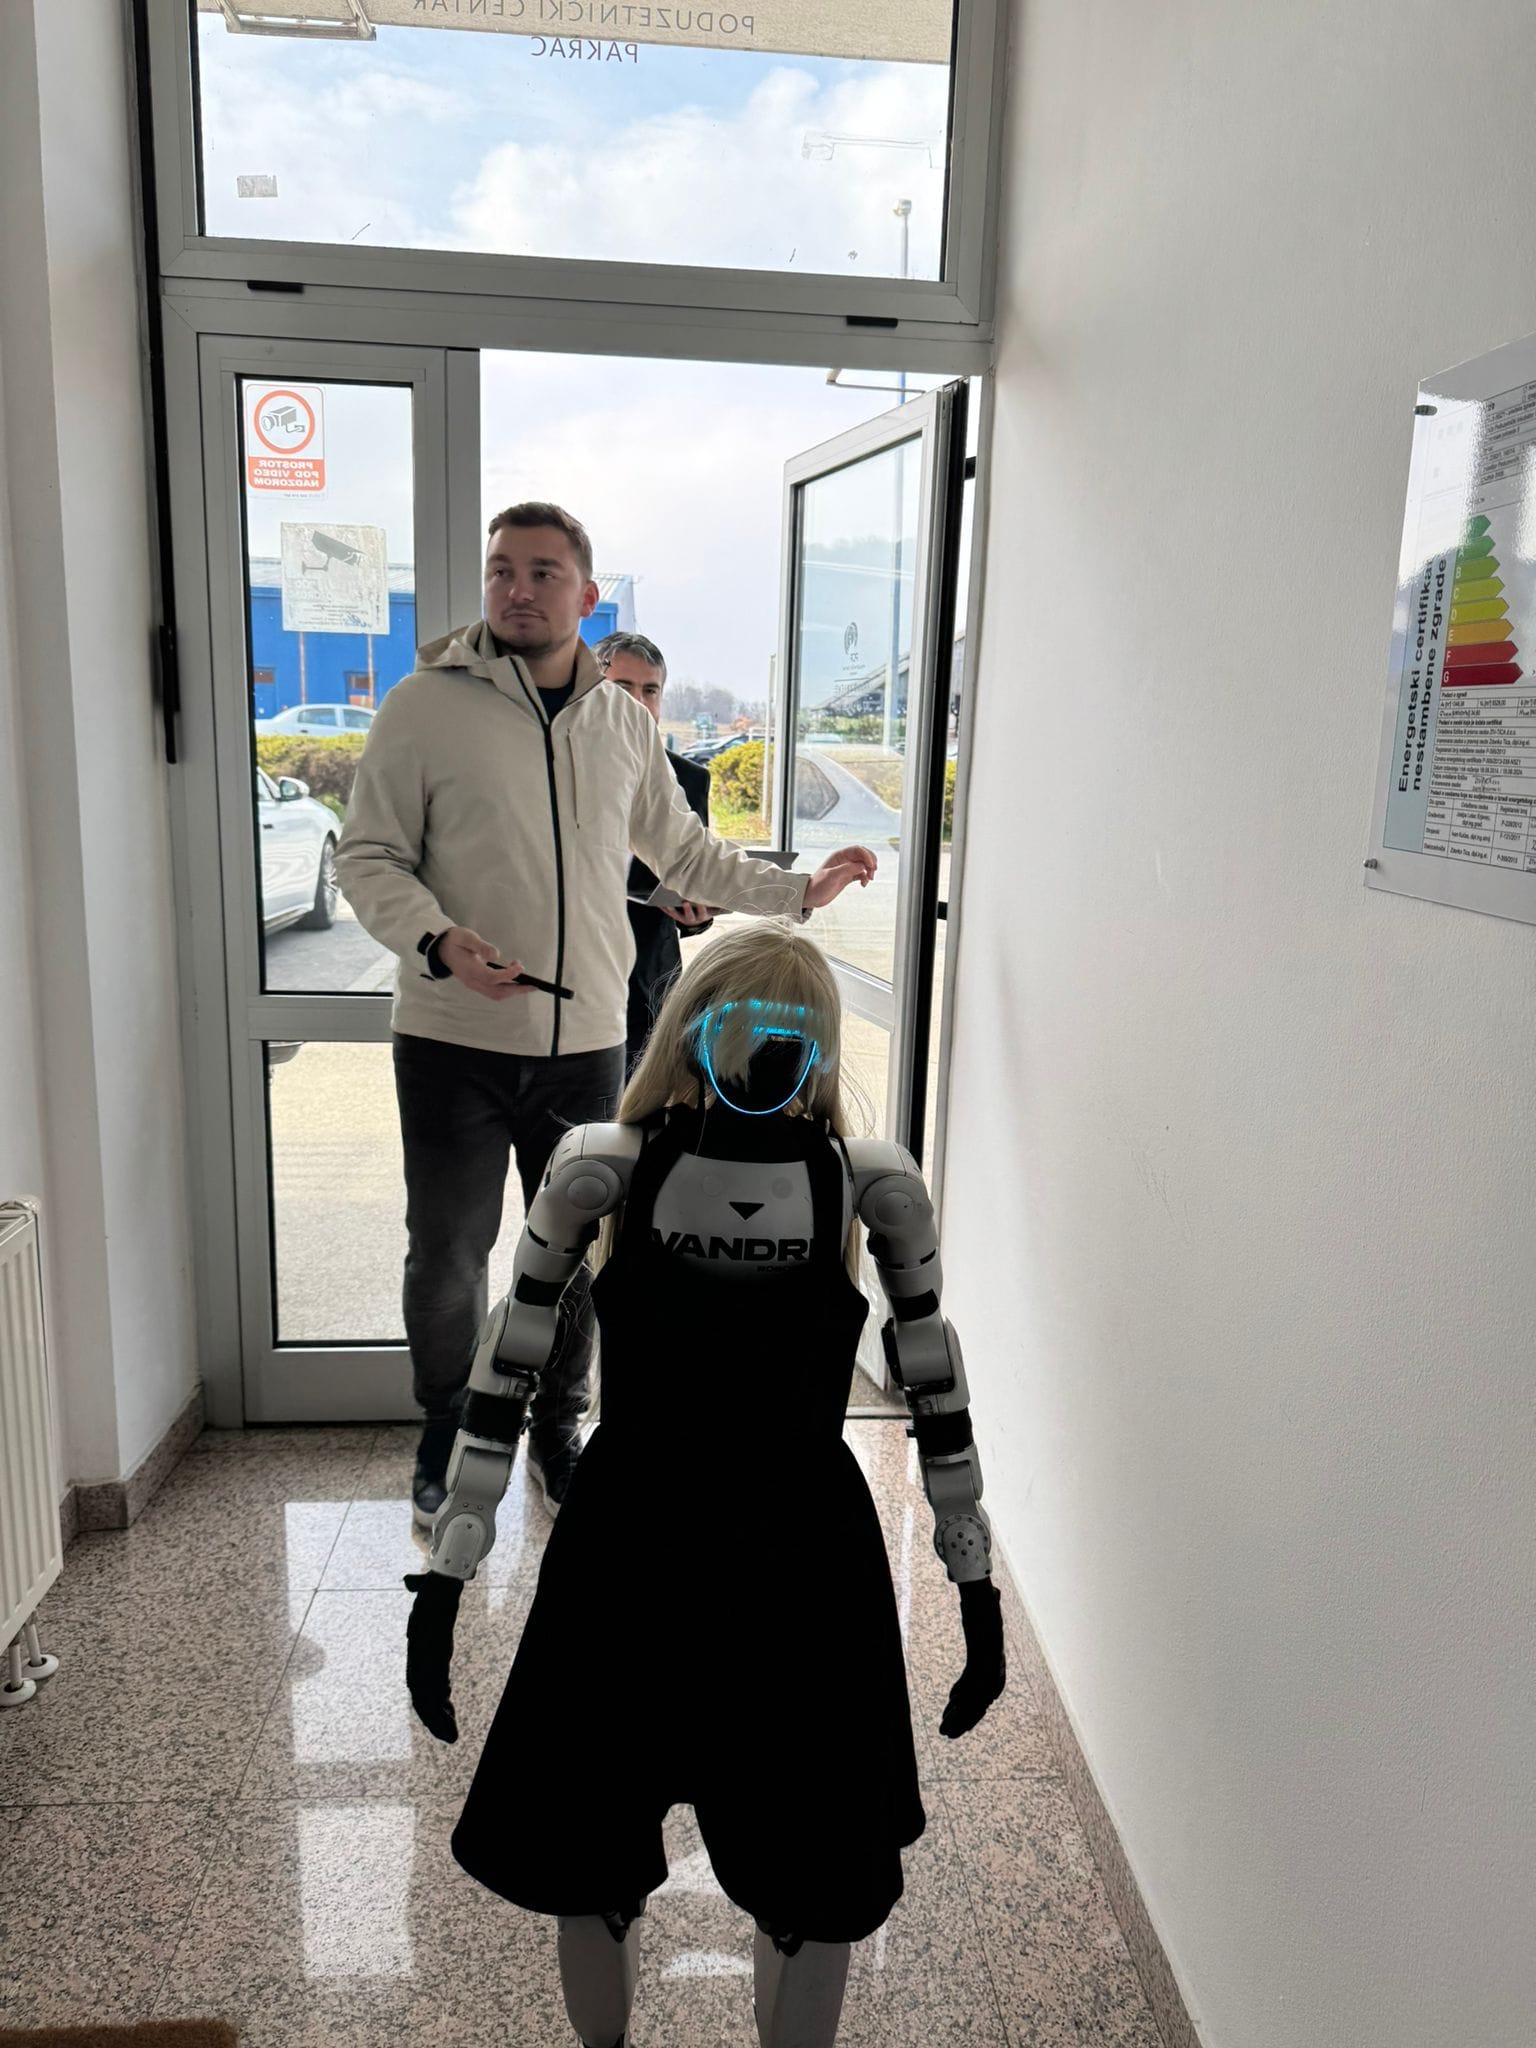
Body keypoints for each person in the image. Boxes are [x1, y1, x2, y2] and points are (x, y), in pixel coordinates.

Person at [402, 922, 1007, 2048]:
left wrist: (975, 1584)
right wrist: (442, 1575)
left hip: (692, 1544)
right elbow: (503, 1370)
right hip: (722, 1546)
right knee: (616, 1863)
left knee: (803, 1882)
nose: (765, 1055)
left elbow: (937, 1380)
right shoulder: (614, 1165)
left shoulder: (852, 1182)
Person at [335, 503, 878, 1526]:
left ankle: (557, 1428)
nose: (518, 588)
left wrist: (799, 890)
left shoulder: (623, 722)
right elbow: (368, 856)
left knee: (583, 1249)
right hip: (450, 1039)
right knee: (447, 1248)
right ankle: (446, 1424)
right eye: (502, 569)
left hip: (586, 1044)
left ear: (587, 597)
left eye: (544, 571)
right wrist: (439, 939)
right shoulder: (422, 706)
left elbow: (687, 858)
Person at [593, 630, 714, 1075]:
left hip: (651, 984)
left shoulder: (691, 780)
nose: (638, 703)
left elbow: (694, 874)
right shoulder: (560, 770)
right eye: (622, 688)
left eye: (650, 690)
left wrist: (699, 917)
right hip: (580, 978)